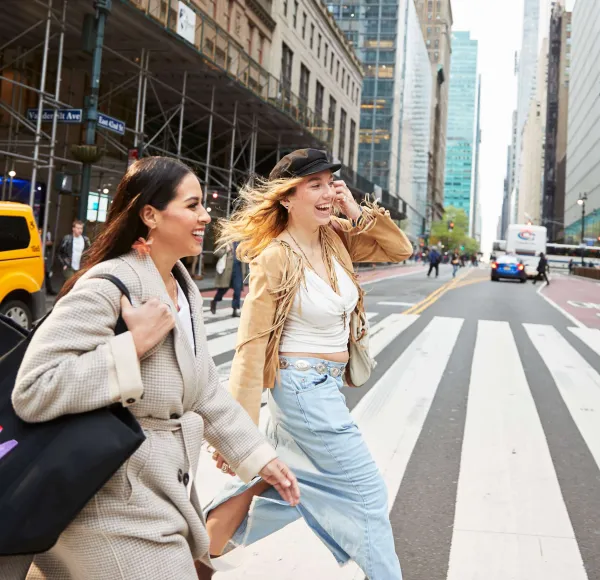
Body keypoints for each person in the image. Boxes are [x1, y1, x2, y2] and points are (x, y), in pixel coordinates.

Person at [10, 157, 300, 580]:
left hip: (162, 491)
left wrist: (259, 458)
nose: (206, 216)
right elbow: (34, 389)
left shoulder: (183, 289)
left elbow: (203, 390)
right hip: (108, 497)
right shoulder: (108, 285)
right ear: (150, 214)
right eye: (193, 205)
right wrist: (132, 347)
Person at [204, 149, 413, 579]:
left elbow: (400, 249)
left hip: (326, 385)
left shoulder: (334, 236)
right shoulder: (276, 256)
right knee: (368, 495)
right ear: (286, 197)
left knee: (274, 485)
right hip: (301, 390)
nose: (326, 193)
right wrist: (236, 435)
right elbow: (251, 347)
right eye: (313, 185)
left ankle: (191, 563)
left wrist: (355, 210)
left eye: (329, 183)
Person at [210, 241, 247, 317]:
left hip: (238, 269)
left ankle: (235, 310)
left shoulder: (241, 241)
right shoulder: (226, 240)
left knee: (237, 290)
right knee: (223, 289)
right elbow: (216, 252)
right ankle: (214, 301)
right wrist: (225, 250)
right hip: (227, 270)